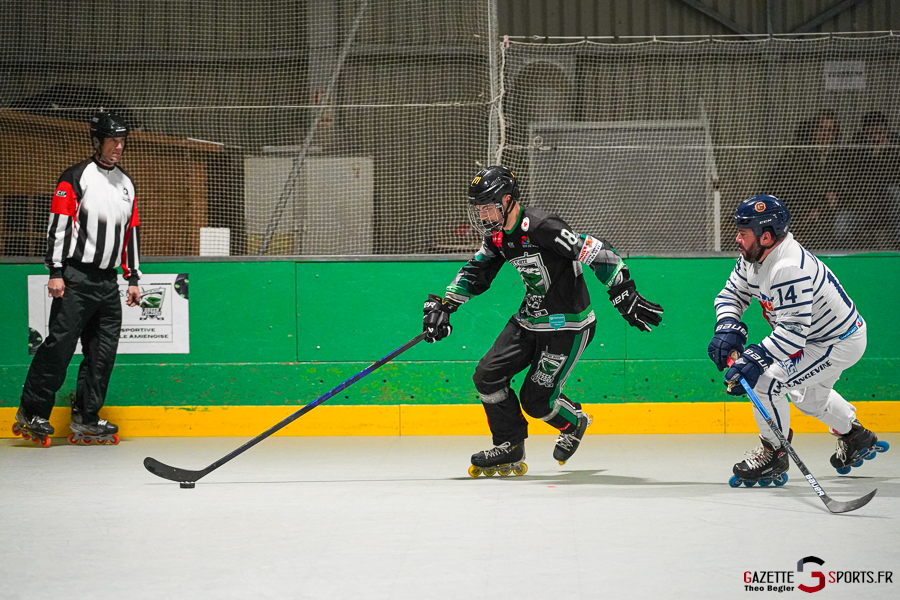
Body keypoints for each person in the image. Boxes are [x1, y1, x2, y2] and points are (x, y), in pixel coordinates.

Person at [422, 166, 664, 476]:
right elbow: (476, 271)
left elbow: (597, 251)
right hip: (529, 321)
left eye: (487, 206)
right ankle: (509, 444)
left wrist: (623, 291)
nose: (482, 214)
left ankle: (574, 422)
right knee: (487, 377)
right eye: (479, 208)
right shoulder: (497, 235)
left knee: (536, 402)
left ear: (507, 200)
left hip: (568, 326)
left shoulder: (541, 226)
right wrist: (445, 305)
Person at [708, 194, 888, 487]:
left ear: (766, 236)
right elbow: (732, 295)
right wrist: (728, 326)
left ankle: (774, 453)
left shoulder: (788, 268)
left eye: (743, 233)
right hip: (816, 339)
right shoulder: (753, 258)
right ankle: (855, 436)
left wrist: (755, 357)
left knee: (766, 383)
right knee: (808, 399)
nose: (737, 239)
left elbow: (792, 334)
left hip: (835, 341)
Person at [13, 110, 142, 447]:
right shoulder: (75, 177)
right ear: (97, 141)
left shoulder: (126, 184)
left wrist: (132, 278)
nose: (118, 147)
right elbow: (58, 227)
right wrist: (55, 271)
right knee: (59, 347)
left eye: (122, 141)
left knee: (102, 353)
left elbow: (131, 233)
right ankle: (32, 410)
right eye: (113, 140)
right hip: (74, 278)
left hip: (107, 282)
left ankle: (87, 415)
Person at [765, 110, 848, 250]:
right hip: (798, 203)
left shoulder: (842, 155)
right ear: (813, 131)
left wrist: (821, 205)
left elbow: (844, 185)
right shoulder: (798, 152)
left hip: (829, 208)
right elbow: (799, 182)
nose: (825, 134)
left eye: (830, 130)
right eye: (821, 128)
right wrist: (823, 194)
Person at [841, 111, 900, 250]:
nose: (876, 136)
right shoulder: (855, 152)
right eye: (872, 132)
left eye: (880, 132)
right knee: (842, 223)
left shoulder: (895, 151)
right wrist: (872, 156)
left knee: (894, 191)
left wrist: (883, 156)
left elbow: (891, 180)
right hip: (862, 206)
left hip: (888, 207)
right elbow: (856, 182)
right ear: (865, 134)